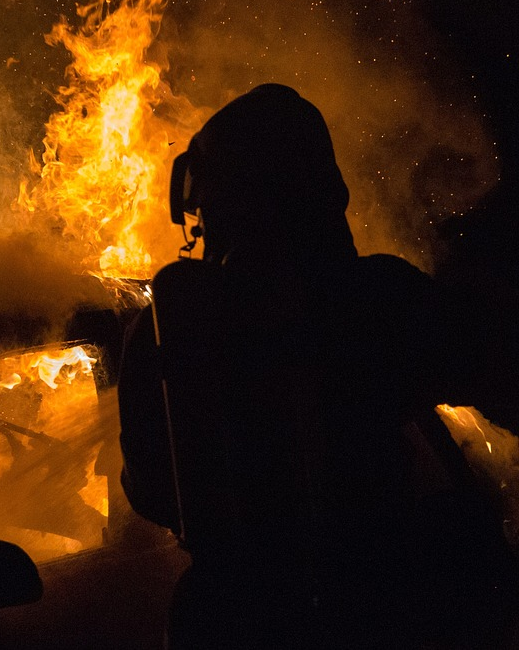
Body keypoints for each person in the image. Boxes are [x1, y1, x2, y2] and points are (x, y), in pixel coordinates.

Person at [117, 84, 517, 648]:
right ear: (324, 186)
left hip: (235, 618)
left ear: (214, 202)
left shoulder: (170, 325)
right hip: (381, 602)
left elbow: (149, 489)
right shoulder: (381, 297)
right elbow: (497, 380)